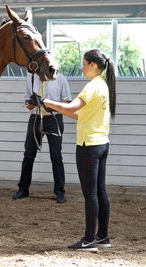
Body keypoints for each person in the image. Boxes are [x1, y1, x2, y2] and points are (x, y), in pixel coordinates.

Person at [41, 49, 116, 251]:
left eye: (84, 63)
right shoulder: (104, 85)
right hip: (102, 143)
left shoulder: (91, 86)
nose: (82, 67)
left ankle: (89, 239)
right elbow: (80, 115)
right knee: (101, 191)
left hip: (88, 146)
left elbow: (72, 107)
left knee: (90, 194)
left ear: (93, 65)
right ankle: (103, 237)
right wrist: (55, 107)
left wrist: (47, 102)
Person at [12, 72, 72, 204]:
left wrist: (47, 103)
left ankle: (60, 192)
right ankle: (23, 189)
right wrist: (31, 104)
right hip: (35, 118)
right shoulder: (32, 78)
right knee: (28, 155)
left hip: (54, 119)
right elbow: (27, 102)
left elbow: (67, 101)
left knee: (56, 156)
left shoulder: (60, 78)